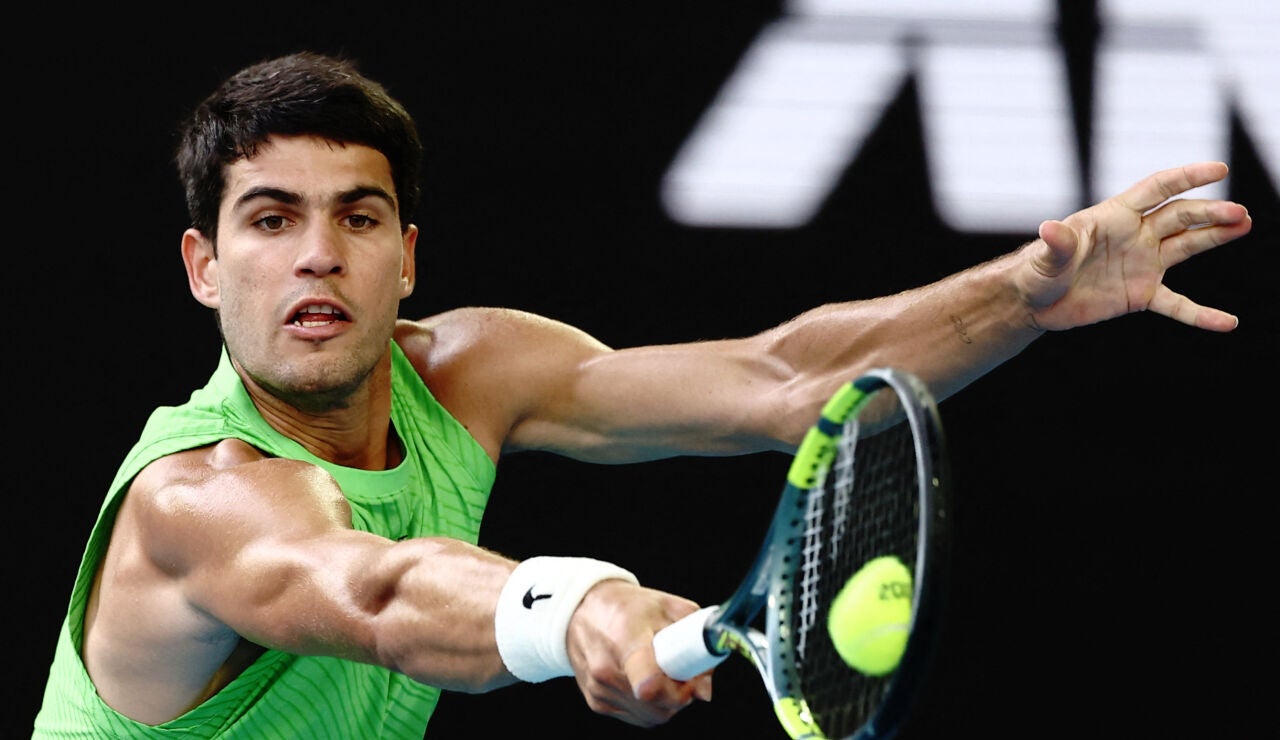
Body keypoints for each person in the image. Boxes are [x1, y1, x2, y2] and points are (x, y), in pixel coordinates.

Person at [33, 50, 1253, 738]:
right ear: (203, 268)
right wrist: (579, 606)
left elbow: (787, 377)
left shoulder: (463, 370)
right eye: (268, 220)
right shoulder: (193, 500)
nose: (316, 254)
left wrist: (1021, 297)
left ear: (406, 256)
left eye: (356, 217)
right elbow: (378, 588)